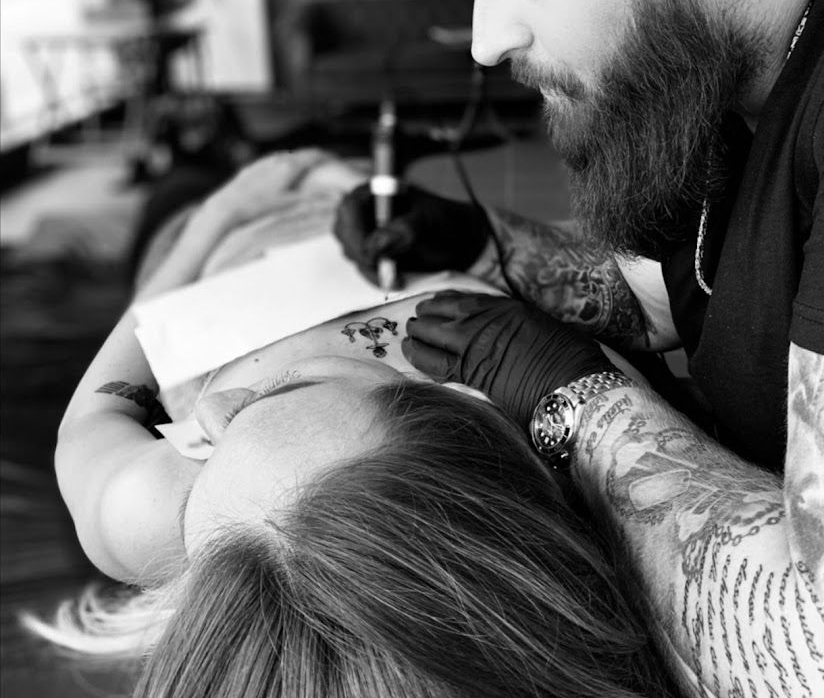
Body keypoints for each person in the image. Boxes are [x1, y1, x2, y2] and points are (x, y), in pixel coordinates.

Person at [333, 0, 824, 697]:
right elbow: (688, 302)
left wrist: (575, 406)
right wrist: (484, 250)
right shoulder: (728, 63)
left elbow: (810, 650)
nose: (482, 40)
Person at [28, 149, 678, 698]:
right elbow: (644, 297)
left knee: (174, 189)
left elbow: (97, 414)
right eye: (288, 389)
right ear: (465, 408)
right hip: (357, 218)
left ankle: (196, 167)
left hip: (200, 253)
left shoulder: (154, 514)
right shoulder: (598, 450)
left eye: (205, 450)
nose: (209, 413)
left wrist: (216, 216)